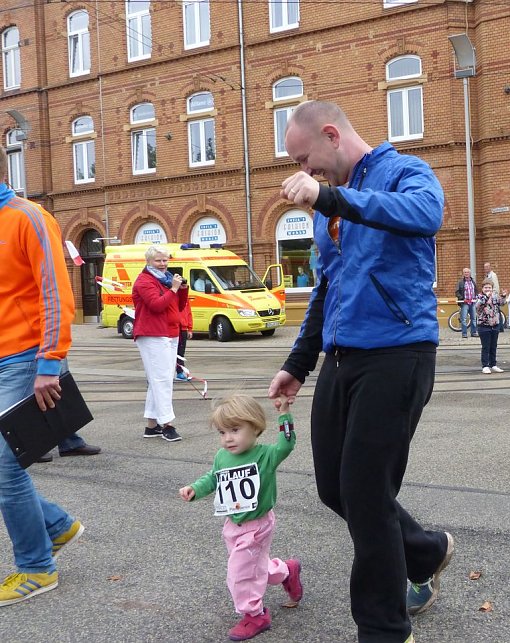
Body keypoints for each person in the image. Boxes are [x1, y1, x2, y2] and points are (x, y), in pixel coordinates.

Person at [266, 101, 453, 643]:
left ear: (332, 134)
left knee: (367, 492)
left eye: (307, 160)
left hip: (399, 353)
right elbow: (328, 285)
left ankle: (383, 629)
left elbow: (426, 214)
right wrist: (298, 363)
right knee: (335, 489)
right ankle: (425, 551)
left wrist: (330, 197)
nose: (306, 172)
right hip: (342, 358)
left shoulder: (406, 172)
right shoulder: (330, 209)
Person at [0, 160, 87, 606]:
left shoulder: (28, 217)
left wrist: (49, 363)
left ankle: (36, 567)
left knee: (4, 466)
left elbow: (55, 290)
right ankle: (55, 526)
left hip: (23, 357)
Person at [180, 394, 302, 641]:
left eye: (235, 430)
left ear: (255, 427)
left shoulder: (266, 455)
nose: (228, 438)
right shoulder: (222, 456)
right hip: (232, 525)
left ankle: (255, 615)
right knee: (255, 566)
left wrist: (284, 414)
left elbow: (286, 444)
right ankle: (286, 571)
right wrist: (195, 488)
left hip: (257, 526)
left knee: (240, 573)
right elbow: (214, 477)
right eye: (222, 432)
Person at [132, 244, 188, 442]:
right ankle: (167, 424)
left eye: (165, 260)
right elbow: (156, 305)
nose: (163, 264)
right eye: (158, 260)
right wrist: (173, 288)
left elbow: (178, 306)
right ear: (148, 261)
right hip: (152, 333)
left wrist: (181, 290)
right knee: (162, 380)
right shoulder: (144, 281)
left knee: (160, 379)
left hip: (170, 332)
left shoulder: (166, 280)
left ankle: (151, 426)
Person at [475, 280, 507, 374]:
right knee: (486, 346)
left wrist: (504, 296)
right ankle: (485, 365)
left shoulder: (495, 296)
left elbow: (502, 303)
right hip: (484, 325)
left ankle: (493, 364)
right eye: (486, 287)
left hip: (495, 324)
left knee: (493, 346)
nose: (488, 289)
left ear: (492, 288)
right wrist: (486, 297)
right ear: (482, 288)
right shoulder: (479, 297)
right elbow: (478, 306)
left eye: (489, 287)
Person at [455, 267, 478, 338]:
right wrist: (462, 298)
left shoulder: (473, 282)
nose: (466, 273)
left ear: (470, 273)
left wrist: (476, 297)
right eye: (465, 272)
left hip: (473, 303)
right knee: (464, 319)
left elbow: (476, 291)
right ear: (463, 274)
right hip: (464, 303)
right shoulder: (460, 282)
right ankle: (464, 333)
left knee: (474, 318)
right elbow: (457, 292)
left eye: (467, 272)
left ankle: (474, 332)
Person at [175, 298, 193, 381]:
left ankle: (180, 372)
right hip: (175, 328)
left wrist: (189, 328)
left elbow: (189, 313)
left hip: (183, 329)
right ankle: (177, 372)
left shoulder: (185, 298)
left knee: (181, 352)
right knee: (173, 353)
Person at [483, 263, 503, 333]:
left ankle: (500, 327)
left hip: (493, 296)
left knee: (496, 311)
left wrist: (494, 295)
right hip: (488, 296)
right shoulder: (487, 275)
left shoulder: (493, 275)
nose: (486, 268)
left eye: (487, 267)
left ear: (490, 267)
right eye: (485, 267)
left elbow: (496, 286)